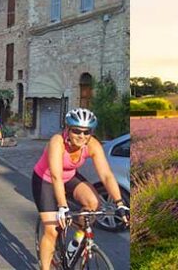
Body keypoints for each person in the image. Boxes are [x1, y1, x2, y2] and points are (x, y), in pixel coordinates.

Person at [32, 108, 129, 270]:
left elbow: (106, 175)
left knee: (93, 203)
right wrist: (63, 207)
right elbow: (56, 176)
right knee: (51, 230)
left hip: (69, 177)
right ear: (67, 129)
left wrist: (119, 203)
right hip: (46, 180)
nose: (82, 136)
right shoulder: (57, 142)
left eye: (87, 132)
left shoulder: (92, 144)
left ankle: (75, 240)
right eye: (77, 131)